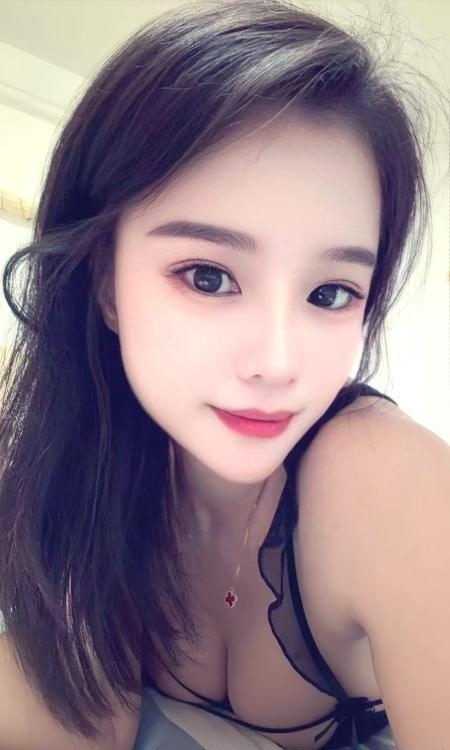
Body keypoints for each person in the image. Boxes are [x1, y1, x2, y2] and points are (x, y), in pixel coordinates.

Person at [0, 0, 448, 749]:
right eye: (208, 276)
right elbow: (85, 722)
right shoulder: (83, 466)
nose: (278, 363)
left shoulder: (390, 484)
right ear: (106, 284)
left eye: (330, 293)